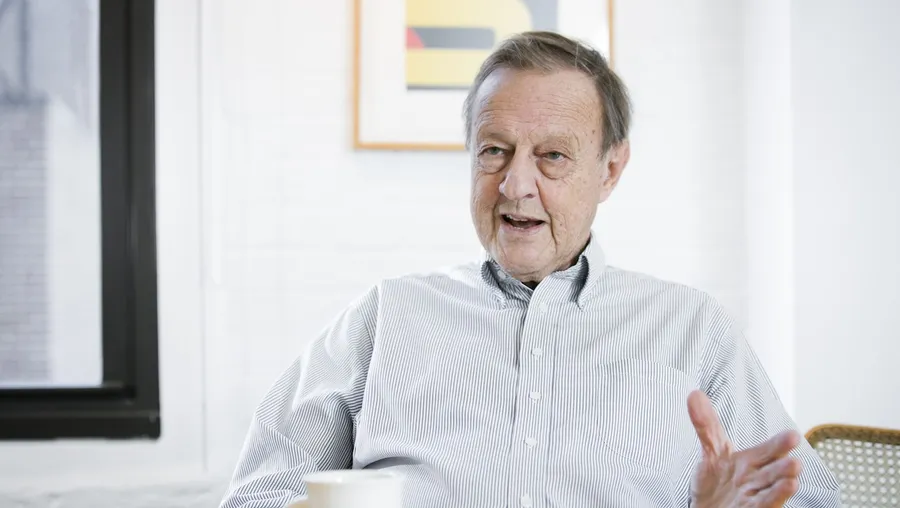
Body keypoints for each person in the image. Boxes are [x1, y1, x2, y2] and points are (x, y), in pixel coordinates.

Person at [220, 31, 841, 507]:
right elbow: (259, 492)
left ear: (610, 170)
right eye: (494, 151)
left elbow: (809, 500)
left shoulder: (693, 329)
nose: (515, 185)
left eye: (552, 156)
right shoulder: (387, 316)